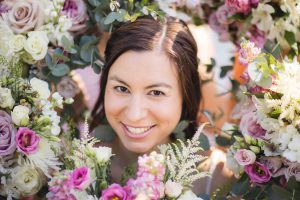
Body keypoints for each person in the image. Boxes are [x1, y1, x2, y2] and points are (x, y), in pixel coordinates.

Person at [90, 15, 203, 188]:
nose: (134, 115)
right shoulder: (71, 166)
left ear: (186, 95)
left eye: (156, 92)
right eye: (122, 88)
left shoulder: (218, 178)